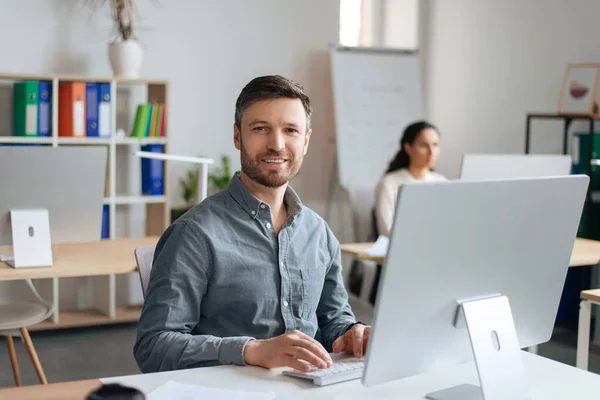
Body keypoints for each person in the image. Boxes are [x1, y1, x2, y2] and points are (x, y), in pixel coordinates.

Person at [134, 75, 370, 374]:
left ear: (306, 141)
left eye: (290, 130)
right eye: (260, 129)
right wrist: (251, 351)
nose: (276, 144)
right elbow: (153, 346)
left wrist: (352, 334)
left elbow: (333, 319)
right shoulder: (195, 233)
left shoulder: (318, 232)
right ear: (237, 136)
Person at [375, 121, 446, 237]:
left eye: (435, 145)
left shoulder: (441, 181)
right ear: (408, 148)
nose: (431, 152)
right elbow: (386, 230)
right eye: (424, 145)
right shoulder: (389, 183)